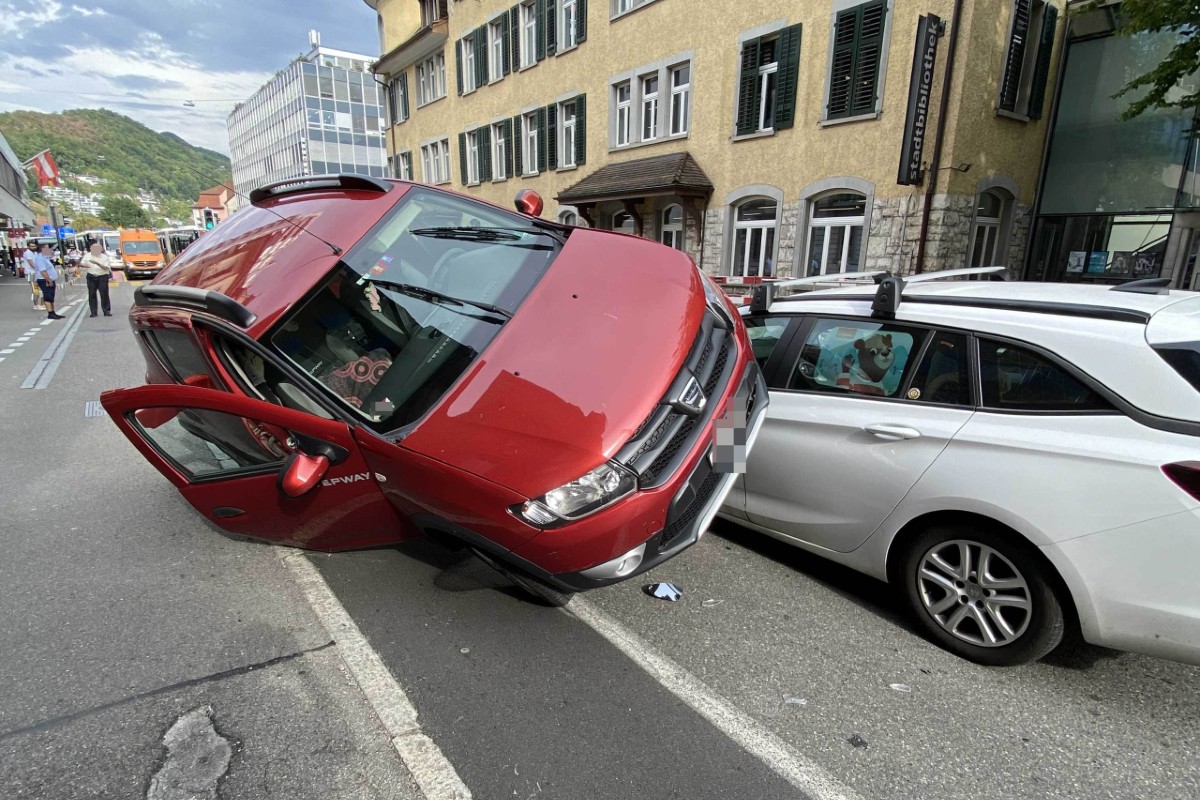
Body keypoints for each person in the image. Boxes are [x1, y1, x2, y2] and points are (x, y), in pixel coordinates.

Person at [80, 241, 112, 317]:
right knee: (92, 294)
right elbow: (82, 263)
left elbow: (106, 267)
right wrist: (85, 265)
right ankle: (93, 312)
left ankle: (106, 311)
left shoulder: (105, 257)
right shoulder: (87, 255)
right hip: (91, 276)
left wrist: (97, 263)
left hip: (102, 276)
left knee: (104, 294)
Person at [34, 243, 64, 320]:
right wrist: (48, 280)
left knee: (51, 296)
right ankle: (50, 313)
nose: (49, 249)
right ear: (42, 249)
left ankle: (53, 312)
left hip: (48, 279)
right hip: (44, 280)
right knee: (48, 296)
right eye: (47, 248)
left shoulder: (45, 258)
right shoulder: (40, 258)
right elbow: (43, 271)